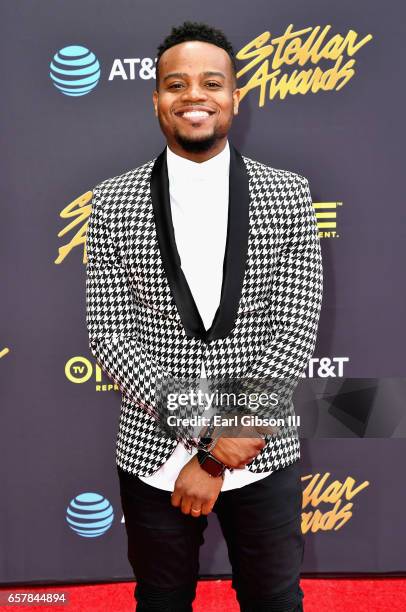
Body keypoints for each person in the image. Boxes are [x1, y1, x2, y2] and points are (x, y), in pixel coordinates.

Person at [85, 20, 323, 612]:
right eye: (176, 84)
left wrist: (226, 448)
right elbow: (111, 336)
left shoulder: (288, 194)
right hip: (153, 454)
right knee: (161, 600)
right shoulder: (113, 200)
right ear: (157, 99)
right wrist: (209, 443)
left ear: (235, 98)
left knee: (275, 600)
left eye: (211, 82)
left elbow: (294, 328)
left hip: (261, 450)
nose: (194, 96)